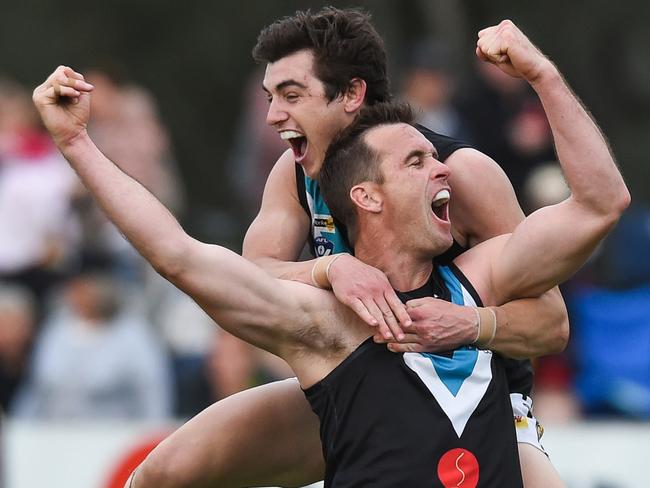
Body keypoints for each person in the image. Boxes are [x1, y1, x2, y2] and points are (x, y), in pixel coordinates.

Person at [34, 19, 628, 486]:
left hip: (488, 396)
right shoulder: (294, 174)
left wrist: (468, 324)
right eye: (269, 96)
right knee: (161, 474)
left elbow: (550, 322)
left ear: (351, 95)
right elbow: (235, 270)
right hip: (358, 377)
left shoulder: (456, 174)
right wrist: (329, 265)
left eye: (290, 95)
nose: (272, 116)